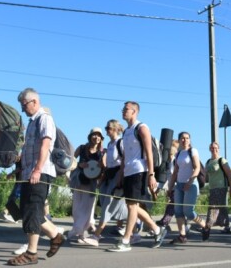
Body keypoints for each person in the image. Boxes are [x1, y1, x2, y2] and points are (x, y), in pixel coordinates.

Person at [6, 88, 64, 266]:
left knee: (32, 211)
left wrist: (37, 169)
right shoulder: (31, 123)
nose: (23, 109)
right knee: (27, 211)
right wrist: (19, 170)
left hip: (41, 172)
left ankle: (31, 253)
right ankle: (55, 235)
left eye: (24, 105)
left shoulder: (44, 118)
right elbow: (28, 150)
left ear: (34, 102)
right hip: (28, 173)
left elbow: (45, 144)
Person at [107, 101, 167, 252]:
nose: (123, 111)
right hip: (128, 172)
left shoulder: (141, 128)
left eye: (126, 109)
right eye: (123, 109)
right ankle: (157, 230)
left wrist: (151, 174)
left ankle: (126, 240)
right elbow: (126, 156)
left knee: (133, 206)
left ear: (134, 112)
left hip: (139, 171)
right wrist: (121, 174)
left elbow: (148, 153)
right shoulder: (127, 131)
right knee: (131, 206)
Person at [82, 120, 129, 247]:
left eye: (108, 128)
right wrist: (101, 180)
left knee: (108, 204)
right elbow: (107, 165)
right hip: (108, 175)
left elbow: (124, 161)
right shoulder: (110, 144)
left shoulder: (121, 142)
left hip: (118, 175)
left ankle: (96, 235)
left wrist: (120, 178)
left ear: (114, 129)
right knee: (105, 202)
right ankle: (134, 225)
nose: (106, 130)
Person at [167, 132, 207, 244]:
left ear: (189, 140)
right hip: (179, 185)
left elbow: (197, 167)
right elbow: (175, 172)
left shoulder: (193, 151)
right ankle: (182, 236)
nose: (185, 140)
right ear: (179, 140)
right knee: (178, 211)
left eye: (187, 138)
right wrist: (170, 187)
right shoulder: (178, 154)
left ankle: (205, 226)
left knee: (188, 212)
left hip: (191, 185)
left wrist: (190, 181)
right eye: (182, 138)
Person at [67, 127, 106, 241]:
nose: (96, 137)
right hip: (79, 180)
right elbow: (71, 160)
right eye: (94, 134)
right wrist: (79, 165)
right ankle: (79, 230)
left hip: (92, 183)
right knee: (77, 207)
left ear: (101, 138)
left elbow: (105, 167)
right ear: (90, 136)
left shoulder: (102, 152)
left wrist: (101, 166)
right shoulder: (82, 148)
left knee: (88, 208)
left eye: (99, 135)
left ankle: (81, 232)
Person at [202, 141, 231, 241]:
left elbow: (229, 174)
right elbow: (205, 176)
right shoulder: (208, 162)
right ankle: (217, 225)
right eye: (212, 148)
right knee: (216, 207)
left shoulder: (221, 160)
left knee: (218, 207)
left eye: (215, 147)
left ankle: (212, 226)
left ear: (218, 149)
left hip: (221, 187)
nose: (214, 149)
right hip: (212, 187)